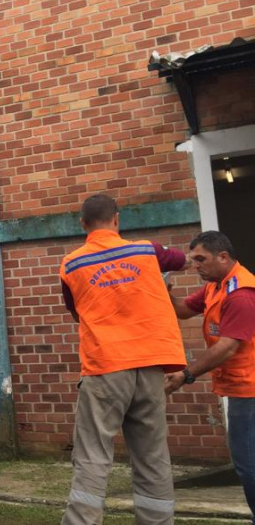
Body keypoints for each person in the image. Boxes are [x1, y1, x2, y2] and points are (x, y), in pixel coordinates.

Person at [59, 194, 188, 525]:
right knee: (152, 457)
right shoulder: (147, 250)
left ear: (83, 224)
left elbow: (77, 312)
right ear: (117, 219)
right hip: (151, 367)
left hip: (105, 368)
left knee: (92, 457)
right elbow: (181, 260)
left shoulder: (71, 264)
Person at [165, 231, 255, 520]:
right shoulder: (216, 287)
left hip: (250, 390)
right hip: (241, 388)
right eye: (193, 260)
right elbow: (181, 310)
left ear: (223, 257)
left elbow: (228, 347)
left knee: (248, 464)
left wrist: (186, 374)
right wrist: (162, 287)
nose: (196, 266)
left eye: (201, 259)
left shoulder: (241, 294)